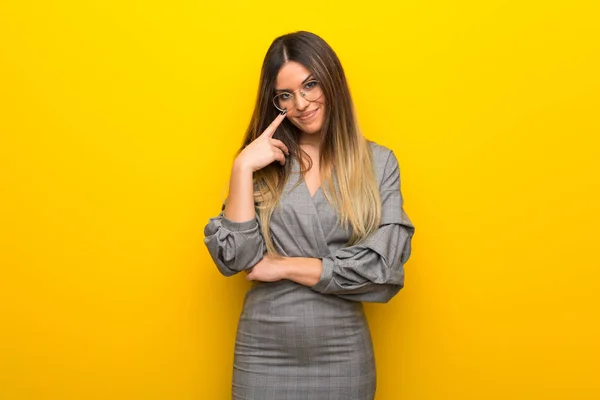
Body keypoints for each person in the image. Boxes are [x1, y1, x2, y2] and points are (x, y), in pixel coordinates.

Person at [203, 30, 415, 400]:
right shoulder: (266, 162)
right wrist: (242, 168)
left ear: (333, 81)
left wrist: (285, 266)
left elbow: (383, 269)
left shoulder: (379, 163)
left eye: (310, 85)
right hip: (262, 352)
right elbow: (235, 257)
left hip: (343, 354)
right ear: (276, 103)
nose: (300, 103)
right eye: (286, 95)